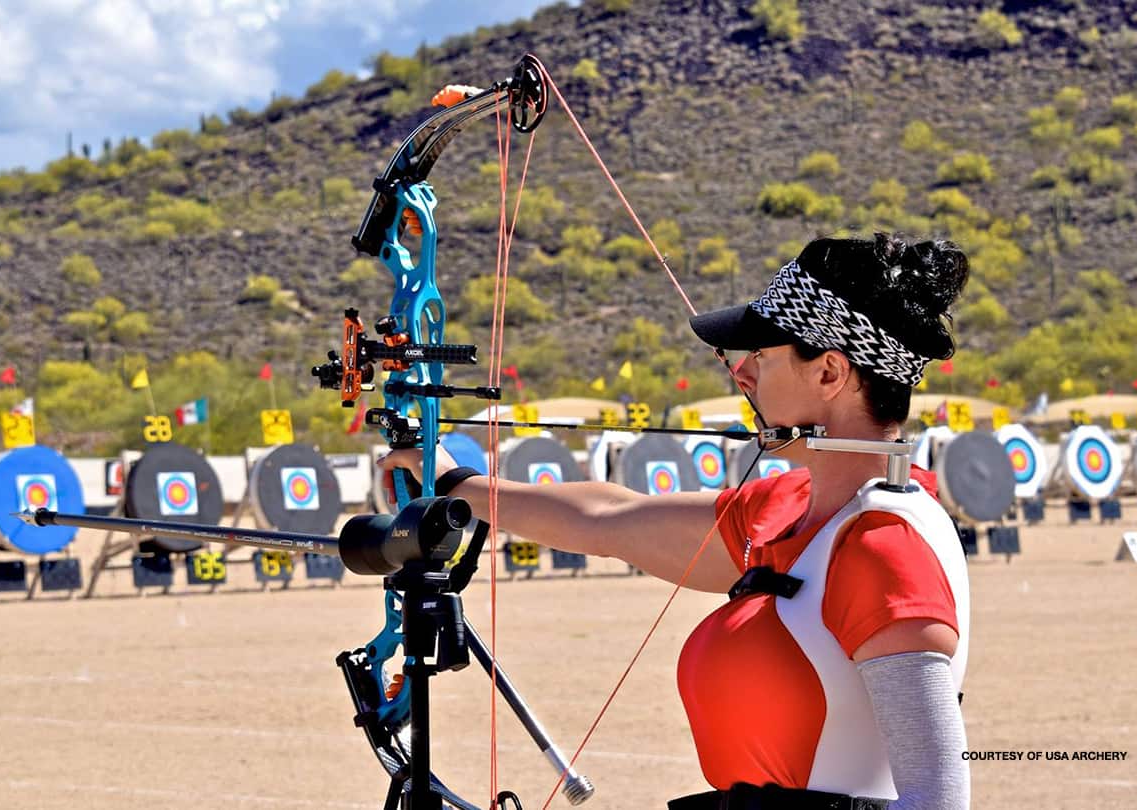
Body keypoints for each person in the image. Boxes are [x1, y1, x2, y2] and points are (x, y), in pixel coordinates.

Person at [378, 233, 972, 810]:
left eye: (761, 356)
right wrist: (459, 487)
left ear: (829, 374)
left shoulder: (883, 546)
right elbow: (608, 518)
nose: (742, 375)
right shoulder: (789, 507)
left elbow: (938, 801)